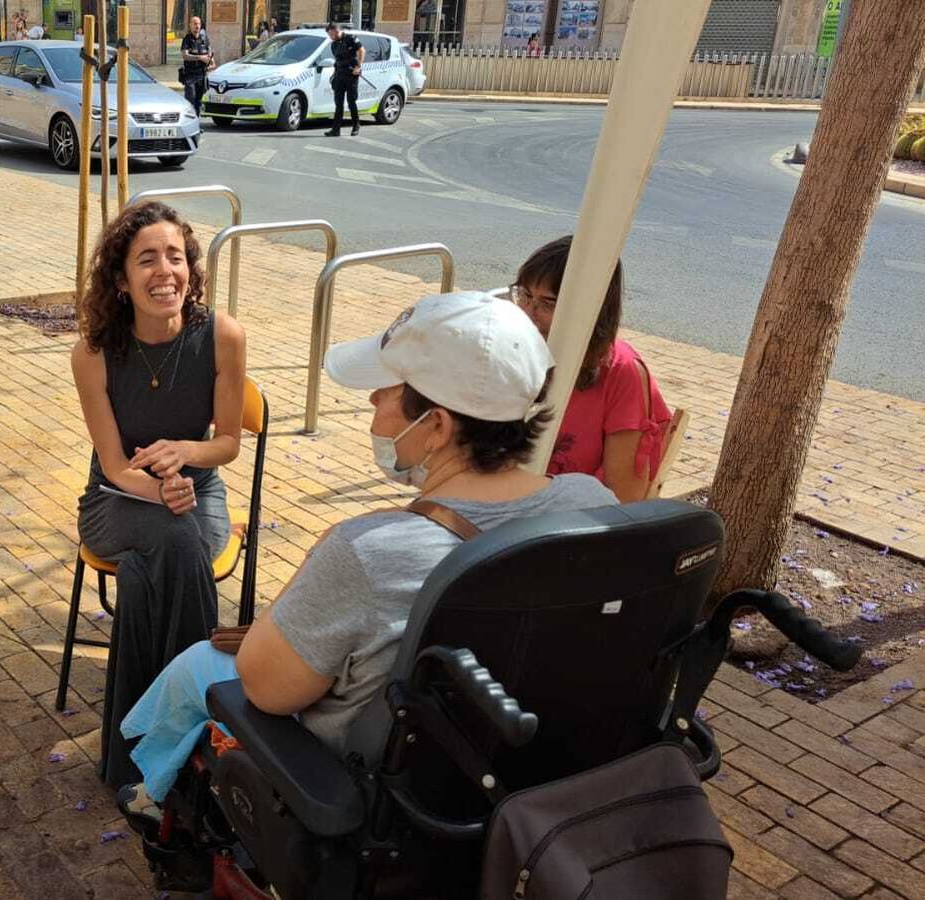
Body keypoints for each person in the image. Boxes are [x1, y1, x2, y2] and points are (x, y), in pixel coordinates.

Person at [113, 291, 618, 821]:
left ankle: (157, 792)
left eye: (388, 390)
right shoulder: (589, 504)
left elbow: (264, 686)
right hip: (508, 761)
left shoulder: (369, 550)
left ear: (438, 428)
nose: (374, 401)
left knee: (198, 665)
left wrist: (319, 564)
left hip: (366, 784)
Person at [71, 202, 249, 789]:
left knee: (158, 563)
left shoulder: (221, 336)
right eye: (146, 259)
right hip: (115, 500)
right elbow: (117, 466)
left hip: (199, 492)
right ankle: (200, 731)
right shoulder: (94, 351)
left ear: (191, 270)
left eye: (176, 257)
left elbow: (226, 444)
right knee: (175, 539)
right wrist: (158, 491)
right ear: (120, 281)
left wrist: (184, 455)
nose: (164, 271)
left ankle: (136, 747)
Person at [512, 236, 673, 503]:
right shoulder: (518, 348)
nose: (529, 313)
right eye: (525, 296)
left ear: (592, 310)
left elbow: (624, 498)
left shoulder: (621, 373)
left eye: (548, 304)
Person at [324, 22, 363, 137]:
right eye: (329, 35)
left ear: (336, 31)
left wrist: (358, 67)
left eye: (331, 34)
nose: (330, 37)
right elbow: (337, 59)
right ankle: (336, 130)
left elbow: (362, 51)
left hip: (351, 74)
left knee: (351, 102)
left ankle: (356, 125)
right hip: (339, 74)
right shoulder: (334, 44)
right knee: (338, 103)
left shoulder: (351, 39)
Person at [179, 16, 212, 118]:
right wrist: (200, 57)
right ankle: (188, 122)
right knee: (190, 99)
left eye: (198, 24)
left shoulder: (205, 39)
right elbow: (185, 55)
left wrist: (210, 62)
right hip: (190, 75)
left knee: (199, 101)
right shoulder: (187, 39)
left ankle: (196, 124)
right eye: (194, 24)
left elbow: (210, 55)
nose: (197, 26)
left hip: (202, 75)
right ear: (190, 25)